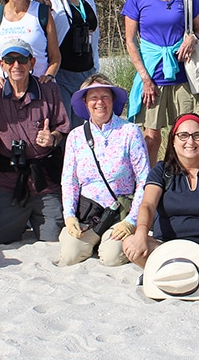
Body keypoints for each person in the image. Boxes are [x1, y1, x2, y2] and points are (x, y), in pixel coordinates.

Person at [123, 113, 199, 279]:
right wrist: (140, 233)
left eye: (197, 135)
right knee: (129, 242)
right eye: (183, 135)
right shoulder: (161, 170)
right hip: (166, 247)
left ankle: (166, 272)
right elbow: (147, 205)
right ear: (173, 141)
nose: (190, 141)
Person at [0, 40, 69, 244]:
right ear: (1, 64)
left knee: (53, 237)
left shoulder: (49, 90)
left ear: (32, 62)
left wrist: (52, 138)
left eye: (22, 59)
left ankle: (28, 216)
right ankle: (13, 216)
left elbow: (62, 128)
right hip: (6, 181)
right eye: (10, 60)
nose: (16, 65)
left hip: (43, 181)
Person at [122, 0, 199, 164]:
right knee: (151, 137)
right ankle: (150, 186)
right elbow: (130, 41)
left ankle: (184, 180)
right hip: (152, 74)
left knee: (186, 133)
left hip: (182, 75)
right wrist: (144, 78)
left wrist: (193, 39)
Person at [59, 75, 149, 266]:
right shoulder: (75, 137)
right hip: (88, 213)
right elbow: (69, 181)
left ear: (113, 100)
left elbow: (144, 179)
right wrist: (69, 216)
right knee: (70, 256)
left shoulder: (130, 131)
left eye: (105, 96)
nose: (100, 102)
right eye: (93, 97)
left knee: (112, 258)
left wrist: (132, 220)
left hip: (119, 214)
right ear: (85, 102)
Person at [37, 0, 100, 127]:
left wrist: (95, 71)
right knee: (64, 130)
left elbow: (94, 37)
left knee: (87, 129)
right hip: (60, 75)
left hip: (86, 73)